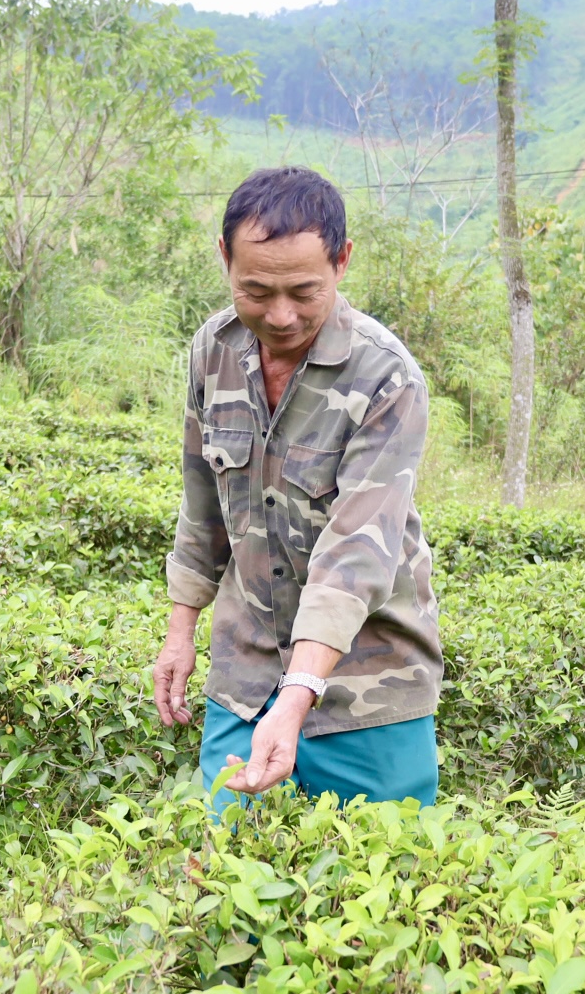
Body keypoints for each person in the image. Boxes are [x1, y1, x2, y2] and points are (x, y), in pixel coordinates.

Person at [150, 167, 442, 810]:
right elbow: (203, 506)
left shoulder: (387, 377)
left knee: (383, 889)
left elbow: (356, 555)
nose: (279, 315)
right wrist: (180, 634)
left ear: (341, 262)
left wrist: (298, 692)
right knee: (222, 879)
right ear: (224, 259)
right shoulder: (213, 349)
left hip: (370, 690)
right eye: (255, 291)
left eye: (303, 292)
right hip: (245, 673)